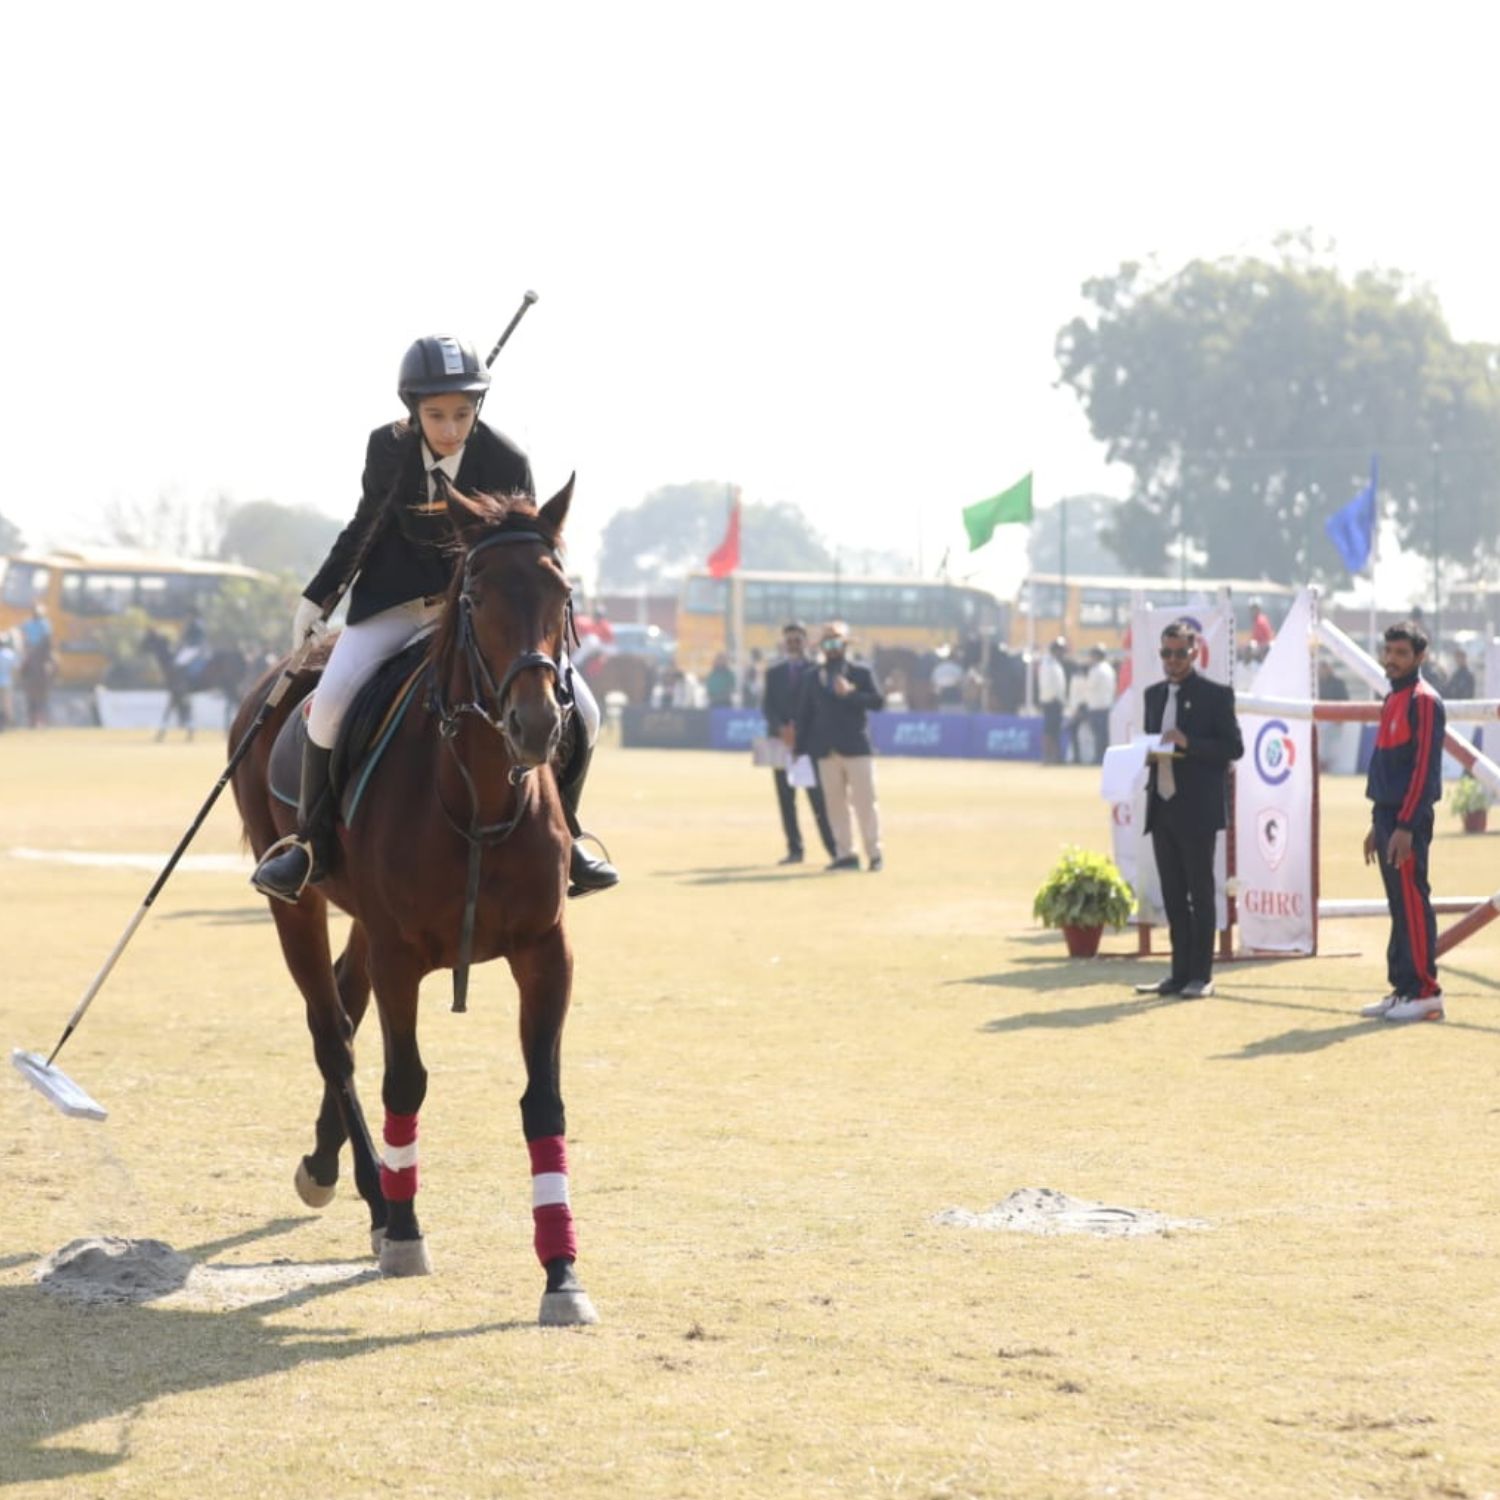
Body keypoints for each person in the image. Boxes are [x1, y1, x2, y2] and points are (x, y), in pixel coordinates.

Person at [251, 334, 618, 904]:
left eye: (463, 414)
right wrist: (316, 599)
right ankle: (311, 844)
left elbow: (523, 548)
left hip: (478, 614)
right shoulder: (387, 450)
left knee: (586, 713)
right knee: (328, 708)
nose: (451, 429)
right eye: (437, 415)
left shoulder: (505, 458)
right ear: (413, 411)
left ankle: (568, 835)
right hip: (392, 606)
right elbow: (364, 527)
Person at [1132, 620, 1244, 1000]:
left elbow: (1233, 748)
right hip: (1162, 806)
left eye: (1181, 653)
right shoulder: (1152, 695)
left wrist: (1189, 743)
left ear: (1195, 653)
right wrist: (1143, 753)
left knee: (1200, 891)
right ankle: (1177, 974)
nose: (1173, 660)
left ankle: (1202, 974)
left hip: (1197, 808)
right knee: (1173, 895)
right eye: (1167, 653)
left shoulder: (1216, 695)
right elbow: (1152, 741)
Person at [1360, 621, 1446, 1022]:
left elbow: (1424, 771)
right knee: (1398, 904)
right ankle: (1403, 988)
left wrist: (1405, 826)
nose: (1391, 660)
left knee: (1412, 901)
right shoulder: (1392, 698)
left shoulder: (1424, 701)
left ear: (1419, 657)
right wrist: (1376, 825)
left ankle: (1426, 991)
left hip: (1406, 822)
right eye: (1388, 652)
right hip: (1387, 819)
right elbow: (1388, 768)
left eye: (1401, 654)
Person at [794, 621, 886, 872]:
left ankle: (874, 854)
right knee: (834, 806)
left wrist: (851, 694)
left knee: (865, 803)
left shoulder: (860, 673)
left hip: (856, 748)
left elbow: (878, 702)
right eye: (828, 643)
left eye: (837, 643)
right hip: (825, 751)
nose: (832, 648)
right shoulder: (812, 677)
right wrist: (799, 750)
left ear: (845, 645)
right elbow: (804, 715)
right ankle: (845, 855)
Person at [760, 621, 836, 866]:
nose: (793, 644)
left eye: (797, 640)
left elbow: (822, 706)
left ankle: (834, 849)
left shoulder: (817, 670)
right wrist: (781, 728)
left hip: (808, 743)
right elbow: (767, 706)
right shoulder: (774, 672)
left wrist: (800, 730)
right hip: (780, 742)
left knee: (817, 799)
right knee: (785, 799)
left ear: (805, 642)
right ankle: (795, 849)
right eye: (789, 640)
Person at [1082, 646, 1117, 765]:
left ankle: (1099, 758)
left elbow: (1089, 687)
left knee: (1098, 735)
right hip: (1106, 705)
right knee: (1103, 734)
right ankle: (1104, 757)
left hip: (1096, 706)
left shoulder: (1096, 670)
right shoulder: (1109, 669)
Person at [1037, 638, 1068, 764]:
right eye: (1061, 650)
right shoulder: (1047, 663)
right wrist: (1053, 698)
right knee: (1049, 730)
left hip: (1057, 702)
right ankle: (1048, 756)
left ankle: (1055, 757)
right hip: (1051, 701)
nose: (1062, 653)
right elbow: (1047, 683)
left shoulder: (1054, 663)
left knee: (1054, 730)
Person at [0, 630, 16, 730]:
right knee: (7, 705)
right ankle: (7, 725)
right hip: (6, 682)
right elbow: (15, 668)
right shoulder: (10, 654)